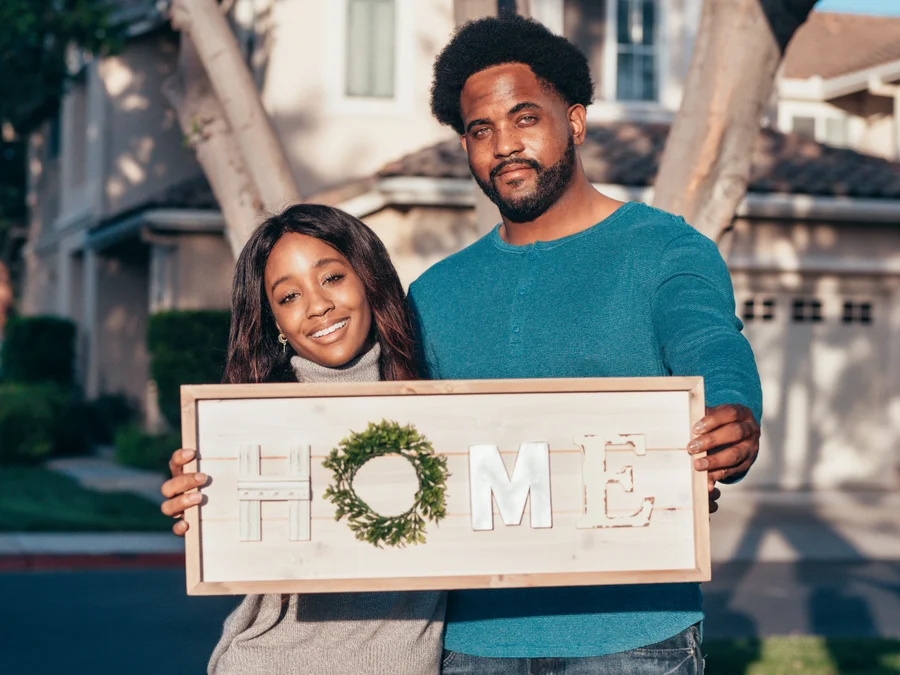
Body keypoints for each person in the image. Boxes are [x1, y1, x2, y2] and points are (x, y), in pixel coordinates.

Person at [408, 13, 763, 675]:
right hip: (475, 643)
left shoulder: (665, 248)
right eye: (480, 130)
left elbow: (711, 342)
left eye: (524, 118)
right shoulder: (434, 293)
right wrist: (217, 471)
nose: (504, 145)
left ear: (573, 121)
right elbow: (373, 422)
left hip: (634, 637)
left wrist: (735, 413)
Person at [160, 204, 445, 675]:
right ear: (274, 319)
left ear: (368, 280)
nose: (316, 306)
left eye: (331, 278)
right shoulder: (252, 423)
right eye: (289, 296)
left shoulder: (446, 406)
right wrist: (197, 500)